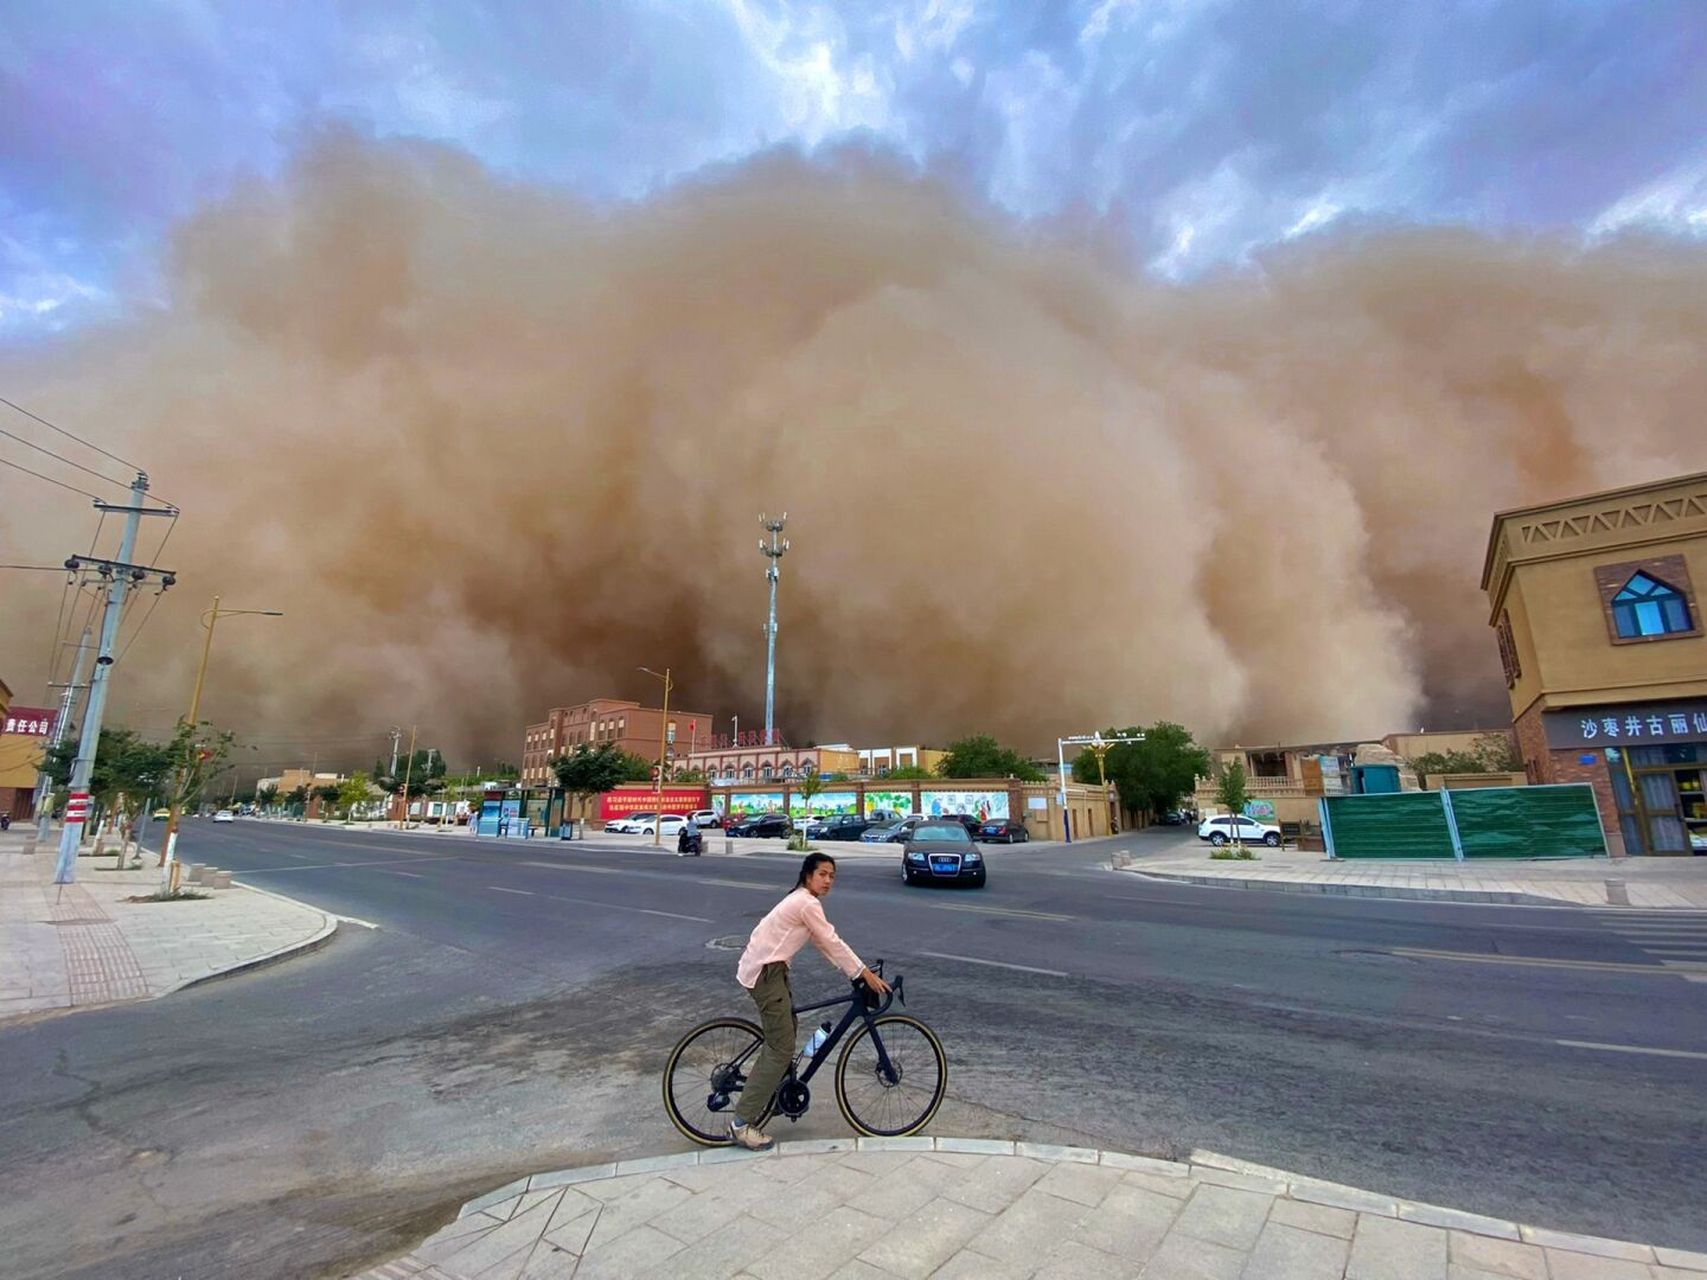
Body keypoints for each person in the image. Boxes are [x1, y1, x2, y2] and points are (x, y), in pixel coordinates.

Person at [728, 851, 889, 1150]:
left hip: (770, 970)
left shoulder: (802, 900)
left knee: (787, 1032)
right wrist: (863, 973)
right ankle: (741, 1124)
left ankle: (774, 1085)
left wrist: (852, 971)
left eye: (832, 876)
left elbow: (822, 942)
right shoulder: (806, 903)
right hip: (766, 974)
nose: (828, 881)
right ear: (808, 875)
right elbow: (831, 939)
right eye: (822, 874)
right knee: (780, 1048)